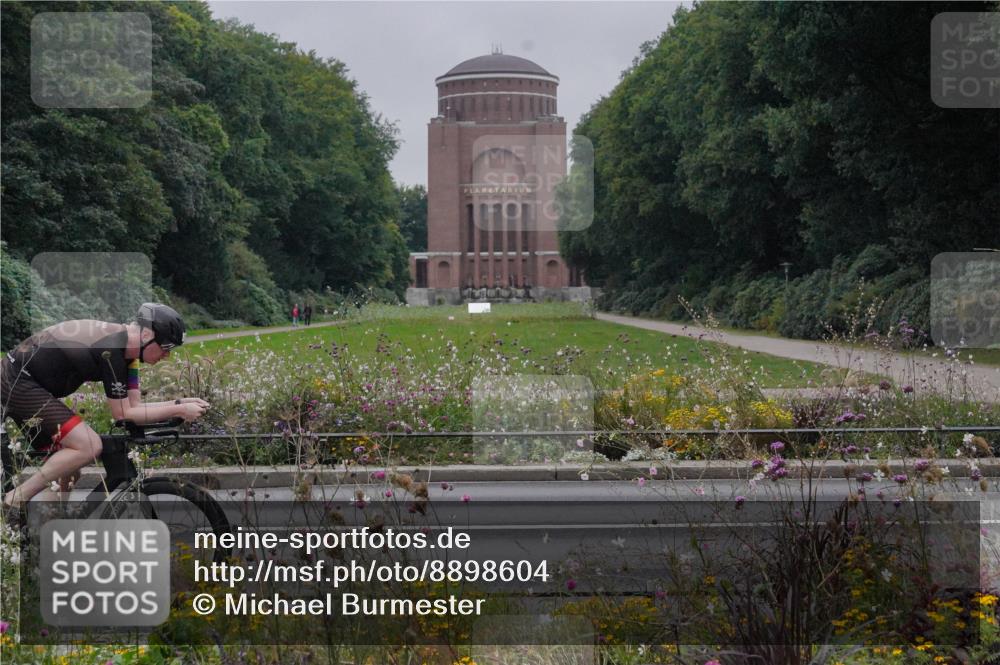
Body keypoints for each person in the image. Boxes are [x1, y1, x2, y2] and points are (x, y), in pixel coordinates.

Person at [1, 303, 210, 511]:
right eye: (166, 348)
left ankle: (50, 522)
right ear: (147, 335)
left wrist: (179, 403)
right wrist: (178, 410)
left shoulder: (130, 355)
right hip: (15, 381)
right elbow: (122, 413)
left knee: (70, 468)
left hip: (28, 383)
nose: (168, 355)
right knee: (89, 446)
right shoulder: (111, 349)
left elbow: (135, 407)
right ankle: (15, 499)